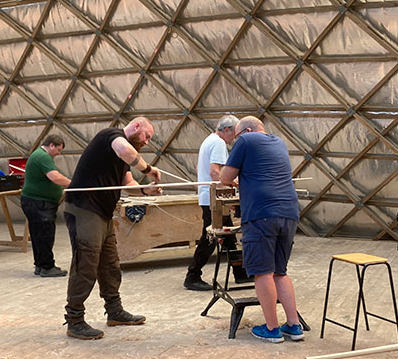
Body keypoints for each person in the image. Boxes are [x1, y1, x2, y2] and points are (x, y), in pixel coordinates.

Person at [62, 117, 162, 340]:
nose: (146, 142)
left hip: (103, 213)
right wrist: (148, 169)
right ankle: (75, 320)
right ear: (136, 126)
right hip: (84, 208)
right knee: (85, 263)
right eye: (147, 136)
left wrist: (146, 191)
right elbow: (125, 150)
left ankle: (114, 311)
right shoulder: (111, 137)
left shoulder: (123, 157)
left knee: (110, 264)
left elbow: (129, 186)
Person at [220, 116, 303, 343]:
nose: (236, 140)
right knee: (279, 271)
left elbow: (225, 178)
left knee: (262, 272)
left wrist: (231, 179)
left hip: (261, 214)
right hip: (288, 212)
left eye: (236, 136)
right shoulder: (278, 142)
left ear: (246, 130)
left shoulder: (246, 140)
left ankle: (272, 328)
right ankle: (294, 326)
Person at [183, 114, 248, 291]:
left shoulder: (208, 140)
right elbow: (214, 172)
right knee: (210, 238)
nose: (234, 139)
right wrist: (232, 183)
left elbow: (199, 168)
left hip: (209, 197)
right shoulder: (219, 143)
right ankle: (192, 275)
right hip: (214, 199)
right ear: (226, 130)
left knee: (228, 236)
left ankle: (240, 274)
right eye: (233, 134)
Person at [21, 135, 71, 277]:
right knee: (45, 235)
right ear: (51, 145)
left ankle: (40, 265)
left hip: (35, 202)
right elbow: (55, 177)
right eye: (58, 150)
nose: (58, 153)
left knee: (38, 234)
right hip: (39, 203)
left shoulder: (39, 155)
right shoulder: (43, 157)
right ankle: (47, 266)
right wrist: (73, 183)